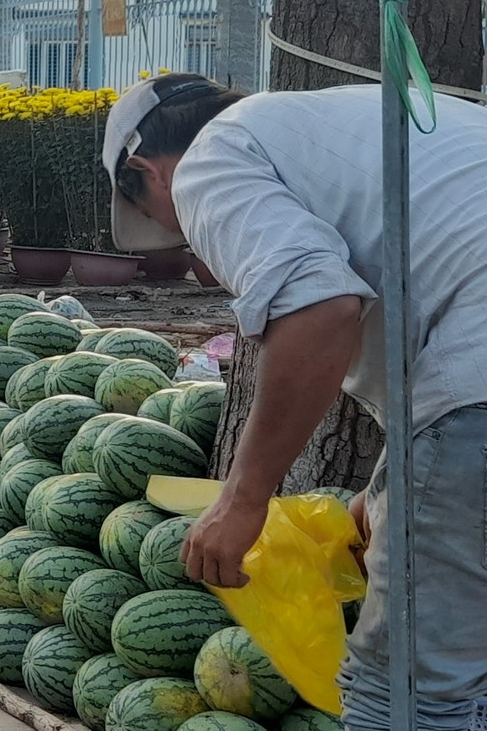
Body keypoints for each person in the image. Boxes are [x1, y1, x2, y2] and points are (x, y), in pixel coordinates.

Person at [103, 73, 487, 731]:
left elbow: (320, 309)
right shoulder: (342, 121)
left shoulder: (207, 161)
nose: (193, 247)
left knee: (404, 695)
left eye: (175, 230)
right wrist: (389, 491)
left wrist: (243, 497)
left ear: (146, 172)